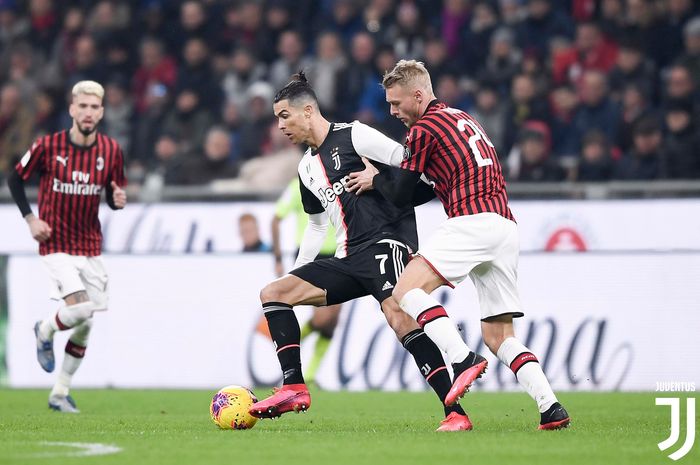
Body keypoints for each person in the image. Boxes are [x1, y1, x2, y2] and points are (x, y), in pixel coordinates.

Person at [346, 60, 570, 430]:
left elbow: (401, 195)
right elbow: (424, 189)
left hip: (472, 219)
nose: (393, 111)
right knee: (499, 336)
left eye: (397, 103)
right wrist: (384, 182)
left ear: (418, 96)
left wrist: (377, 176)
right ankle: (551, 407)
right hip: (503, 226)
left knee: (405, 290)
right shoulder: (461, 119)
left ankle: (462, 359)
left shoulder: (423, 129)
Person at [248, 72, 474, 431]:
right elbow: (318, 226)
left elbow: (411, 167)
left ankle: (456, 413)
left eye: (284, 116)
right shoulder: (306, 167)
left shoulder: (355, 135)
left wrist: (379, 181)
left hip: (387, 242)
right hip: (347, 257)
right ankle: (293, 386)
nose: (280, 126)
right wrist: (296, 273)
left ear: (307, 111)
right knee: (274, 293)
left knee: (399, 317)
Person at [7, 80, 127, 413]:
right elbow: (16, 178)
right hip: (55, 243)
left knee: (85, 323)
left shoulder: (111, 151)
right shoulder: (47, 146)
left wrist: (117, 201)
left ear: (101, 112)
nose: (88, 113)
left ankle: (60, 392)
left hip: (89, 246)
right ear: (72, 109)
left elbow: (114, 196)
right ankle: (43, 330)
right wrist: (31, 219)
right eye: (83, 106)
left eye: (94, 107)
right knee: (83, 310)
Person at [269, 178, 342, 385]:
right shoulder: (296, 185)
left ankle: (310, 375)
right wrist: (277, 258)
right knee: (322, 319)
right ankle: (289, 346)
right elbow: (276, 218)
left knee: (331, 322)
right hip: (311, 256)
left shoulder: (337, 179)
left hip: (339, 253)